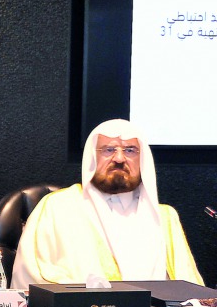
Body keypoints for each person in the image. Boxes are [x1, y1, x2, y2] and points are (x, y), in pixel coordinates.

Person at [12, 119, 202, 288]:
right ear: (92, 157)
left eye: (130, 150)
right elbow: (33, 275)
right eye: (108, 150)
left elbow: (189, 286)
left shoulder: (165, 218)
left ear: (143, 159)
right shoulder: (58, 207)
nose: (119, 159)